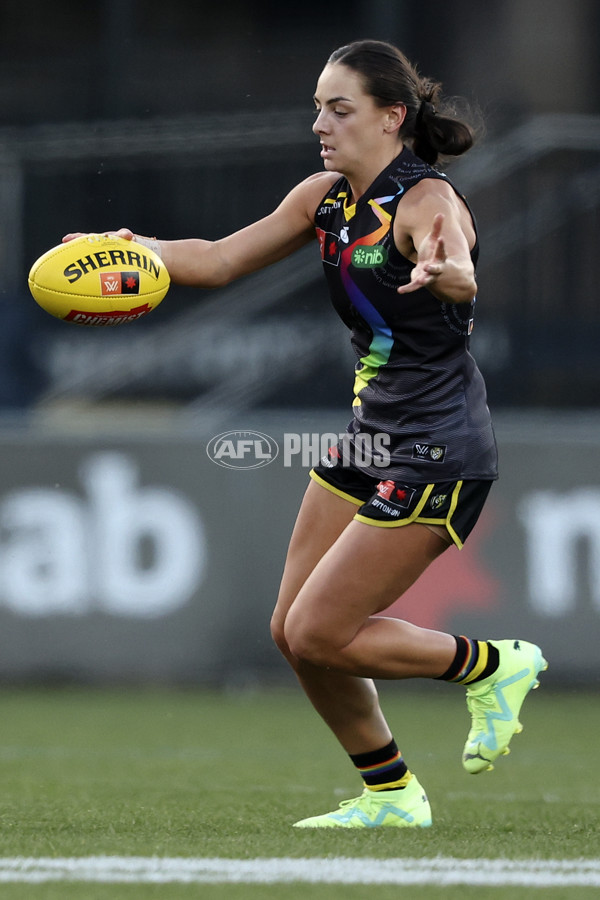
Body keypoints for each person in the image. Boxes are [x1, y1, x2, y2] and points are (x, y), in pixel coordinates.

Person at [64, 39, 547, 829]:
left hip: (438, 448)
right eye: (318, 106)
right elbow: (219, 261)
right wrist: (134, 250)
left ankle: (494, 666)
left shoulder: (426, 202)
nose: (320, 122)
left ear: (393, 117)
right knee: (293, 633)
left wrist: (452, 272)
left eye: (339, 108)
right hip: (369, 436)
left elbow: (456, 260)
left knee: (322, 631)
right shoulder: (325, 197)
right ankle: (390, 794)